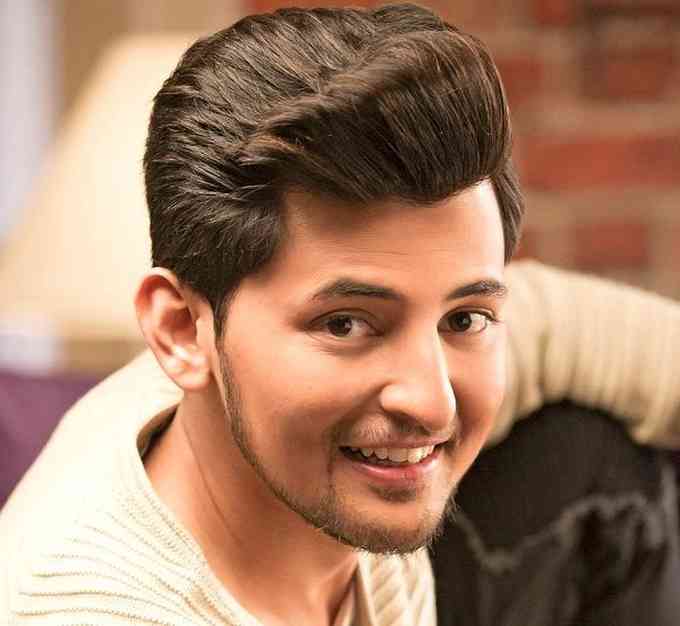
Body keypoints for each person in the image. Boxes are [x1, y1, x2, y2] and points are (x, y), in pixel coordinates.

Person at [2, 4, 680, 625]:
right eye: (346, 324)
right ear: (181, 331)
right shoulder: (91, 608)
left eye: (463, 318)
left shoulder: (249, 380)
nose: (432, 402)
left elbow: (572, 325)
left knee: (586, 453)